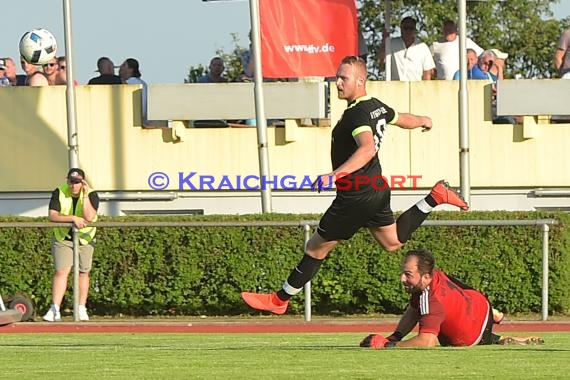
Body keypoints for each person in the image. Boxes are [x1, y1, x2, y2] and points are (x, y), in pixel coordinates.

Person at [241, 55, 469, 315]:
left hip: (356, 194)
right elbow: (400, 117)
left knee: (315, 248)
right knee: (392, 241)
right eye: (337, 77)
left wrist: (335, 174)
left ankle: (279, 300)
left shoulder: (356, 114)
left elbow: (368, 148)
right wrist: (423, 120)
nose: (337, 83)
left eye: (343, 78)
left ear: (360, 80)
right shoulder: (375, 106)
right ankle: (435, 197)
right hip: (377, 188)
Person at [359, 249, 545, 348]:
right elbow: (415, 308)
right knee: (458, 298)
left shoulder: (430, 300)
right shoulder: (435, 275)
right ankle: (496, 318)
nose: (402, 278)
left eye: (407, 274)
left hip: (472, 335)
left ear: (425, 277)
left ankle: (493, 335)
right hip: (481, 303)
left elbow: (427, 342)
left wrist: (389, 345)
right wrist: (396, 335)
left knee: (469, 338)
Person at [43, 168, 99, 322]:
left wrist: (86, 194)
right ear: (67, 181)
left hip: (85, 238)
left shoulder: (92, 194)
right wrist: (73, 218)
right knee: (61, 271)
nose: (74, 186)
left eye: (78, 182)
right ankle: (55, 309)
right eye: (71, 182)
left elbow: (89, 216)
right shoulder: (59, 192)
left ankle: (81, 308)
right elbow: (52, 216)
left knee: (83, 271)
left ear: (83, 182)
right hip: (63, 237)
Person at [378, 16, 435, 81]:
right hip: (395, 87)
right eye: (405, 28)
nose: (408, 31)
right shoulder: (392, 43)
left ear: (415, 30)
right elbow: (381, 60)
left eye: (411, 28)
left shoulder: (422, 47)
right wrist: (384, 42)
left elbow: (427, 71)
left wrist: (425, 89)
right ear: (401, 29)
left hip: (415, 87)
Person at [119, 58, 149, 124]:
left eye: (124, 65)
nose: (120, 67)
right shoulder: (142, 83)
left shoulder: (131, 82)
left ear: (131, 69)